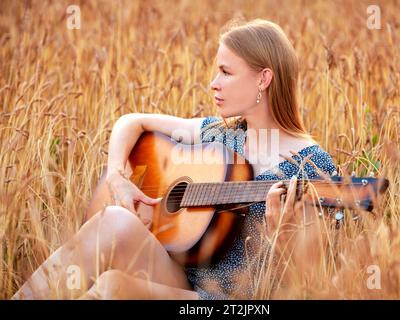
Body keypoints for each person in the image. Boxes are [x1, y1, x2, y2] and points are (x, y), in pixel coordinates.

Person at [12, 18, 336, 300]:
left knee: (112, 287)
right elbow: (132, 121)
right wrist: (116, 177)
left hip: (231, 299)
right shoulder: (219, 133)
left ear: (263, 79)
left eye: (226, 72)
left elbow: (311, 283)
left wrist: (284, 234)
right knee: (115, 219)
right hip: (179, 277)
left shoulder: (313, 167)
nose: (213, 83)